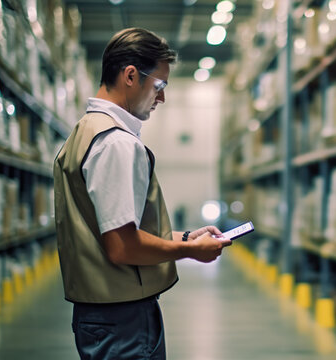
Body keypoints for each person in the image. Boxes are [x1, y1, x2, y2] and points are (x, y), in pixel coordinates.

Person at [53, 28, 232, 360]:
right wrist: (189, 252)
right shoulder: (117, 143)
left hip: (105, 314)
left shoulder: (84, 131)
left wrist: (187, 237)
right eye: (159, 86)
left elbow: (109, 228)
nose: (161, 98)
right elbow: (122, 246)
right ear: (131, 76)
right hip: (123, 320)